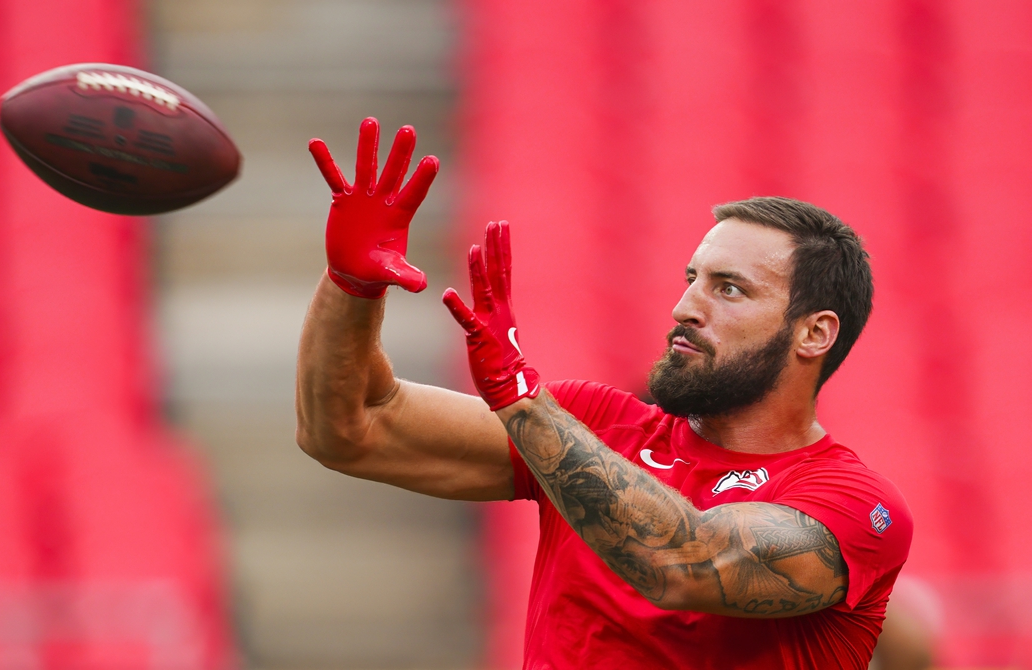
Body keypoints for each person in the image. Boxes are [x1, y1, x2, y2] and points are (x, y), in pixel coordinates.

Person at [297, 118, 913, 669]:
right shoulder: (592, 422)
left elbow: (685, 565)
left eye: (729, 289)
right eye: (692, 279)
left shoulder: (856, 506)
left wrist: (521, 398)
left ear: (814, 333)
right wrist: (350, 286)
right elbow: (352, 429)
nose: (684, 307)